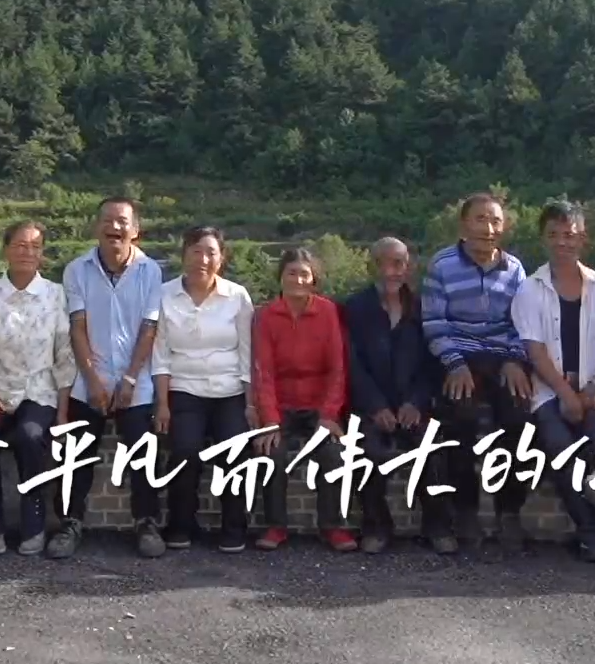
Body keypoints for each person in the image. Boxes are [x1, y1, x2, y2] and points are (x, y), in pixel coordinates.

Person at [511, 202, 595, 566]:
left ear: (583, 238)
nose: (562, 242)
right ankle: (590, 535)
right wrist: (566, 393)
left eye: (569, 235)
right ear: (543, 238)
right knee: (560, 448)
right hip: (551, 392)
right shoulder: (530, 289)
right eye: (553, 235)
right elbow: (534, 349)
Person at [49, 197, 165, 560]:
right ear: (96, 227)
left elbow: (149, 328)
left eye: (122, 221)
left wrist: (129, 379)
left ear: (135, 230)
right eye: (107, 220)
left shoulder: (150, 271)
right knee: (77, 452)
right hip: (90, 379)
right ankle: (70, 522)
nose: (114, 227)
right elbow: (77, 326)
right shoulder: (77, 270)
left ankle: (146, 522)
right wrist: (94, 379)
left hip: (136, 380)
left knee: (143, 450)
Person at [423, 193, 534, 552]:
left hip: (502, 357)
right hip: (458, 356)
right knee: (461, 422)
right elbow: (434, 322)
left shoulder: (515, 270)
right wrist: (454, 364)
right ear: (464, 224)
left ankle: (509, 510)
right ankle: (466, 510)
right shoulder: (442, 265)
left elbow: (523, 323)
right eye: (480, 219)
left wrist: (515, 359)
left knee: (520, 421)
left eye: (495, 221)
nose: (489, 228)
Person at [340, 237, 450, 555]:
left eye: (398, 263)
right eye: (383, 264)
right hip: (370, 407)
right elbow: (351, 363)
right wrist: (375, 407)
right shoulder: (355, 308)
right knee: (367, 454)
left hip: (413, 405)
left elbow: (433, 363)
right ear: (372, 267)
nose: (391, 271)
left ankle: (437, 526)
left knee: (434, 452)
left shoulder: (423, 308)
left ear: (409, 267)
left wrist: (415, 402)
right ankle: (377, 526)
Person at [0, 220, 74, 556]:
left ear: (42, 253)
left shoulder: (55, 295)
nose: (27, 252)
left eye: (34, 246)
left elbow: (64, 354)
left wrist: (62, 413)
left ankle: (34, 526)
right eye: (19, 245)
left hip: (39, 391)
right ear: (6, 250)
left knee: (31, 436)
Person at [152, 226, 254, 554]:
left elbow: (247, 354)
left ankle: (234, 528)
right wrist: (162, 403)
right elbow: (161, 355)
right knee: (184, 451)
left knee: (234, 453)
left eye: (211, 252)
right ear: (184, 254)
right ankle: (181, 525)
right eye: (196, 251)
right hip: (184, 389)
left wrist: (251, 403)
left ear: (221, 259)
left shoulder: (237, 296)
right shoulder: (164, 295)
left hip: (230, 391)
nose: (203, 259)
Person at [254, 247, 358, 553]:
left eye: (304, 274)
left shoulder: (327, 312)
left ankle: (332, 526)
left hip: (319, 405)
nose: (297, 280)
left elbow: (337, 368)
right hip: (282, 405)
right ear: (281, 277)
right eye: (291, 273)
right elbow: (264, 372)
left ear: (314, 279)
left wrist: (328, 415)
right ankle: (275, 526)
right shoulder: (267, 316)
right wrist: (270, 421)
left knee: (334, 455)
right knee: (271, 455)